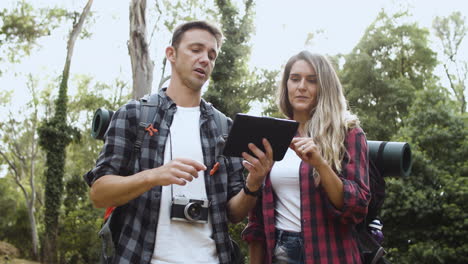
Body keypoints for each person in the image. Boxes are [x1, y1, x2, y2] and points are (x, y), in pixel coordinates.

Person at [84, 20, 273, 264]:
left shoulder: (224, 128)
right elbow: (99, 194)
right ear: (171, 54)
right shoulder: (134, 115)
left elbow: (233, 213)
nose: (205, 59)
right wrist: (154, 176)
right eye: (196, 50)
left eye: (211, 55)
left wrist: (254, 183)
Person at [242, 51, 371, 264]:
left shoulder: (347, 133)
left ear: (324, 87)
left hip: (330, 254)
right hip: (279, 252)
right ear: (286, 85)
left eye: (312, 81)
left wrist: (320, 164)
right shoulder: (273, 135)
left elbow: (356, 208)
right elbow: (256, 222)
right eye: (295, 79)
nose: (302, 86)